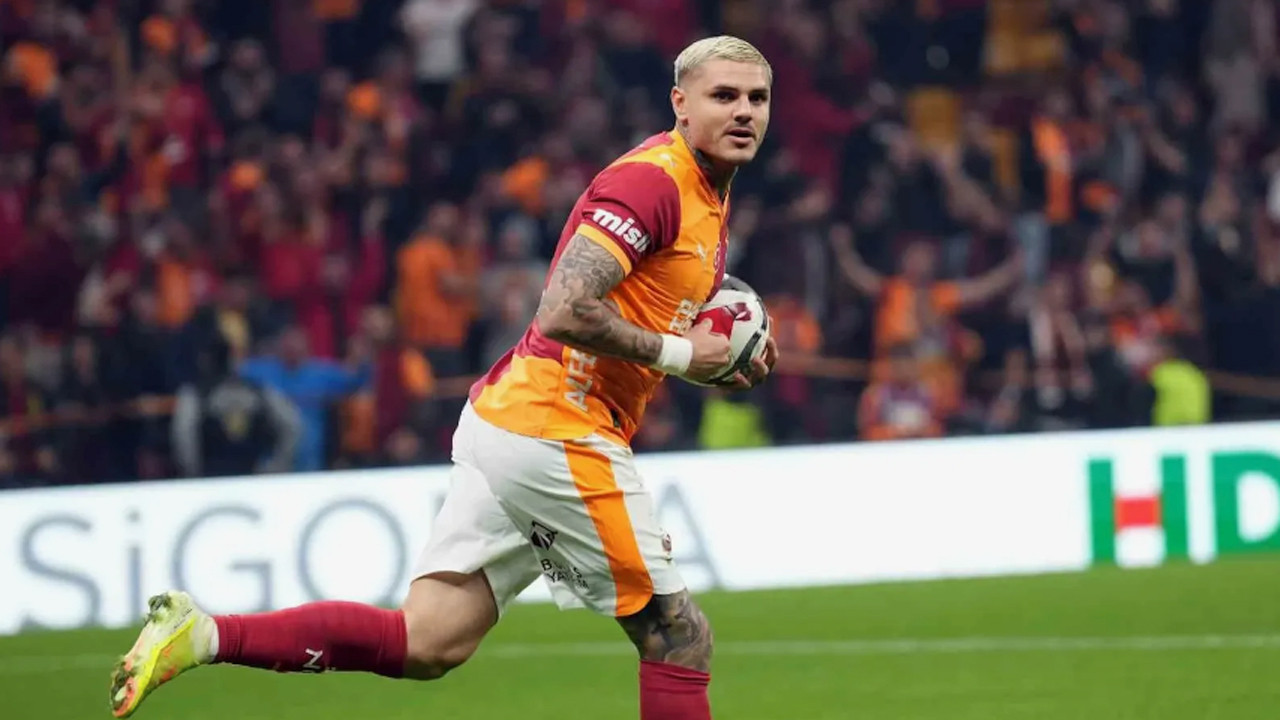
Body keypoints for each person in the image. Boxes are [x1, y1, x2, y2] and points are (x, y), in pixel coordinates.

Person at [109, 35, 779, 720]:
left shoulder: (708, 197)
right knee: (676, 635)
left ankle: (204, 634)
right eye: (723, 96)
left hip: (515, 420)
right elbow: (562, 309)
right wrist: (681, 355)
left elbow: (655, 304)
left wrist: (717, 352)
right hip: (556, 424)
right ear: (680, 104)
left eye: (756, 99)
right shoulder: (654, 183)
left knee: (429, 640)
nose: (743, 112)